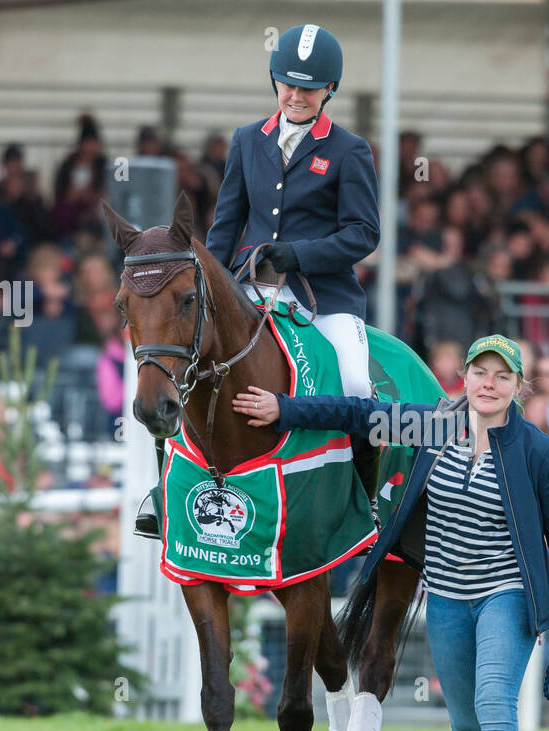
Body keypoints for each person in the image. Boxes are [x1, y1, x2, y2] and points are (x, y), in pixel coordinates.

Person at [231, 334, 549, 731]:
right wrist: (283, 408)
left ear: (518, 386)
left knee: (492, 701)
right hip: (444, 596)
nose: (489, 384)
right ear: (464, 377)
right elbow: (354, 414)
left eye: (502, 376)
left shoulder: (539, 451)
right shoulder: (432, 423)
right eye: (481, 373)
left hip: (505, 594)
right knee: (464, 722)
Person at [134, 23, 381, 539]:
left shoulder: (348, 150)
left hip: (324, 297)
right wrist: (210, 286)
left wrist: (303, 254)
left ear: (329, 90)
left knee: (357, 385)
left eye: (307, 88)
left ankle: (365, 500)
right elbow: (225, 226)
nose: (294, 95)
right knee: (186, 363)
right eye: (287, 84)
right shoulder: (248, 139)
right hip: (248, 287)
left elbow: (364, 234)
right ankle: (164, 492)